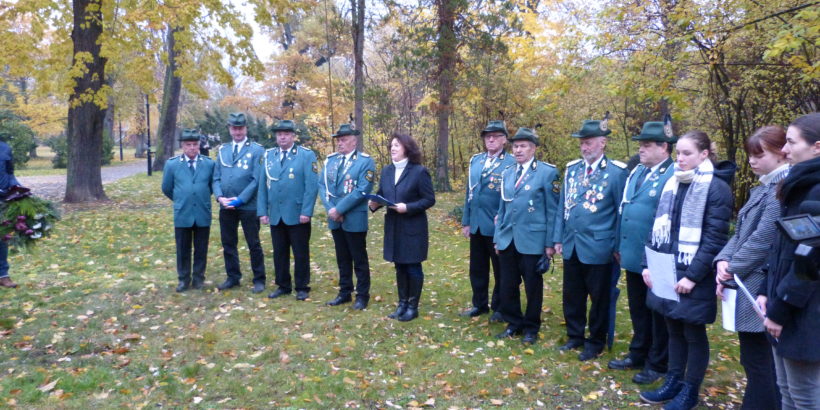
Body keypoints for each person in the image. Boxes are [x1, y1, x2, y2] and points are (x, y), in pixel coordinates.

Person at [639, 131, 733, 410]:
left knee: (693, 333)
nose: (680, 159)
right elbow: (656, 226)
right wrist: (647, 265)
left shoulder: (716, 188)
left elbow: (715, 239)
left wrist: (692, 277)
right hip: (667, 268)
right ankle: (673, 381)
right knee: (673, 328)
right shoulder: (673, 182)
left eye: (687, 153)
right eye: (678, 153)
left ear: (704, 154)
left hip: (695, 273)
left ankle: (690, 390)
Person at [713, 126, 788, 409]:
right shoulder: (765, 187)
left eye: (759, 154)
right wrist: (723, 260)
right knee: (753, 357)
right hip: (747, 279)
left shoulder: (781, 189)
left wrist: (732, 267)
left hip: (760, 284)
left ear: (781, 154)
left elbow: (763, 238)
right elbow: (741, 232)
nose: (752, 161)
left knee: (762, 360)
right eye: (750, 155)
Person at [553, 117, 628, 361]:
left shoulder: (616, 173)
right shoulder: (572, 169)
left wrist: (617, 246)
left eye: (589, 143)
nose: (585, 148)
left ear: (603, 143)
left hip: (599, 246)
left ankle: (595, 341)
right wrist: (558, 238)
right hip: (572, 244)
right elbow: (562, 206)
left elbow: (620, 213)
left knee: (599, 297)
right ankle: (575, 335)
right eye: (582, 144)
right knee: (572, 294)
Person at [609, 119, 676, 384]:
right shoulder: (637, 171)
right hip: (634, 253)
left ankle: (658, 362)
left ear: (664, 147)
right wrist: (618, 245)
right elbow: (624, 209)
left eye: (647, 145)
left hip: (657, 256)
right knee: (638, 307)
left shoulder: (672, 174)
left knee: (657, 311)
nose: (642, 150)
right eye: (641, 145)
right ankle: (638, 352)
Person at [763, 112, 820, 410]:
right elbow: (785, 249)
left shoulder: (816, 190)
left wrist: (780, 309)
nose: (783, 150)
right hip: (786, 308)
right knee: (786, 391)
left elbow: (809, 264)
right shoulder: (798, 185)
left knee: (805, 398)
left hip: (805, 314)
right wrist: (766, 293)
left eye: (790, 142)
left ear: (817, 147)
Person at [492, 127, 559, 344]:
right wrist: (497, 237)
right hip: (508, 238)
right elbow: (502, 208)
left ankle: (531, 327)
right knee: (507, 284)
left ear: (534, 149)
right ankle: (514, 323)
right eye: (516, 146)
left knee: (532, 286)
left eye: (523, 146)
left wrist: (549, 244)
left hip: (533, 240)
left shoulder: (547, 173)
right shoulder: (507, 172)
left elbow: (552, 210)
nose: (518, 150)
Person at [369, 133, 435, 322]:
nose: (393, 148)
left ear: (407, 148)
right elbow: (383, 194)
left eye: (397, 145)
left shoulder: (419, 171)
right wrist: (375, 204)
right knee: (399, 266)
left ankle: (412, 307)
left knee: (412, 266)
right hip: (394, 226)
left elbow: (429, 199)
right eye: (391, 145)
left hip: (413, 227)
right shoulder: (387, 171)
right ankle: (402, 304)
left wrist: (408, 207)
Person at [258, 120, 319, 301]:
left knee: (300, 252)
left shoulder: (306, 156)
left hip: (297, 213)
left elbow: (311, 186)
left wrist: (307, 211)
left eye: (286, 134)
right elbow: (262, 186)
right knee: (279, 252)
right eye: (279, 134)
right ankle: (283, 285)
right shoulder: (269, 156)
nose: (282, 137)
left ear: (293, 136)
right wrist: (263, 211)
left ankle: (302, 286)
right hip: (276, 213)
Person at [460, 120, 515, 320]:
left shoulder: (511, 163)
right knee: (477, 268)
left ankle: (500, 307)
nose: (490, 139)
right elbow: (470, 192)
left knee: (501, 270)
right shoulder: (476, 160)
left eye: (495, 136)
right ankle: (479, 304)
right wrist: (466, 221)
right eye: (487, 136)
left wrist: (504, 224)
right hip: (476, 224)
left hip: (496, 225)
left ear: (504, 140)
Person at [319, 124, 376, 310]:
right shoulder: (331, 161)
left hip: (354, 218)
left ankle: (362, 295)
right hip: (335, 217)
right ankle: (344, 292)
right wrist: (331, 210)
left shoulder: (365, 162)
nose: (340, 143)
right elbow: (322, 186)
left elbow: (362, 190)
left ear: (354, 140)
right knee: (342, 257)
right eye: (338, 140)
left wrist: (339, 210)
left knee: (359, 258)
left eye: (344, 139)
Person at [212, 112, 267, 293]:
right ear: (229, 129)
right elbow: (216, 177)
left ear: (246, 129)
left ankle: (259, 279)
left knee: (253, 243)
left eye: (240, 128)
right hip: (226, 205)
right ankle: (233, 277)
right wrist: (220, 197)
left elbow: (256, 179)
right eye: (234, 128)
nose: (237, 132)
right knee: (228, 243)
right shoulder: (223, 150)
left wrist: (240, 199)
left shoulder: (257, 150)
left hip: (248, 205)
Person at [161, 129, 216, 293]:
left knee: (201, 248)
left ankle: (198, 278)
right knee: (183, 248)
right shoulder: (172, 164)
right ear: (182, 146)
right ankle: (183, 279)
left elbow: (212, 187)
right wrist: (181, 199)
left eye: (195, 145)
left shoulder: (209, 164)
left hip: (202, 212)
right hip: (183, 212)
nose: (192, 148)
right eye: (188, 145)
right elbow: (167, 188)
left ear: (199, 145)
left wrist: (199, 197)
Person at [0, 133, 20, 289]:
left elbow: (10, 172)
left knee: (2, 237)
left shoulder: (5, 148)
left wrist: (18, 189)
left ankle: (3, 275)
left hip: (3, 198)